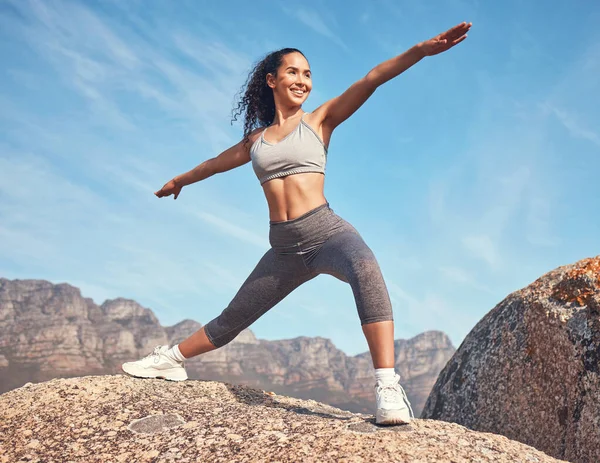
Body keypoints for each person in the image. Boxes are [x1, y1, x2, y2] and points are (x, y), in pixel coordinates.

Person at [122, 21, 471, 425]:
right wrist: (180, 180)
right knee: (231, 319)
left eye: (307, 74)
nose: (302, 80)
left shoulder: (320, 120)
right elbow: (215, 163)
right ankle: (172, 360)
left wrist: (419, 51)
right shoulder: (256, 141)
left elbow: (372, 79)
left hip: (326, 232)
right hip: (284, 248)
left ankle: (388, 387)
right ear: (271, 80)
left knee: (366, 269)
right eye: (293, 71)